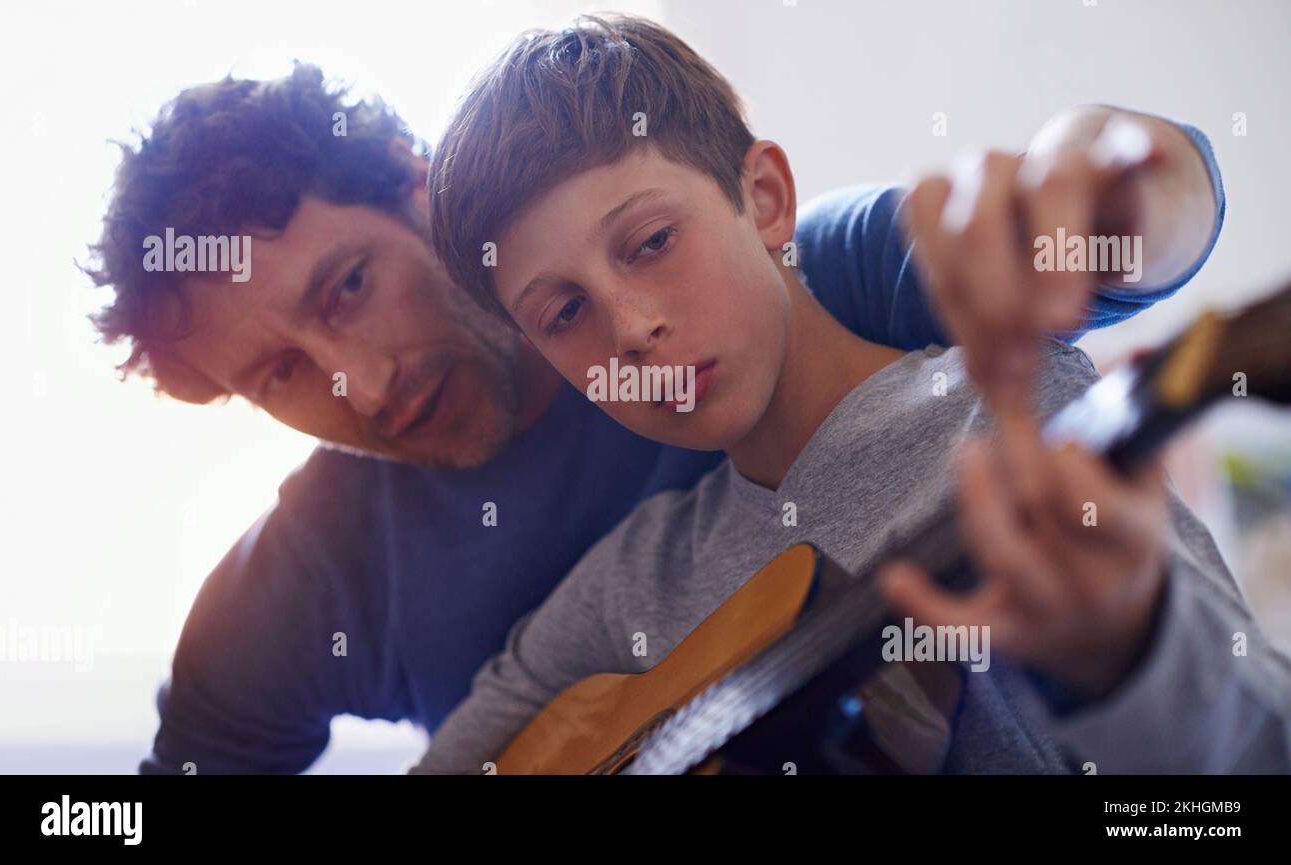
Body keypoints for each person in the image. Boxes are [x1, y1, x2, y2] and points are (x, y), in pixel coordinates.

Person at [83, 49, 1224, 771]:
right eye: (279, 375)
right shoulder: (293, 587)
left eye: (347, 288)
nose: (364, 385)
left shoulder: (804, 278)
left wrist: (1110, 171)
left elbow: (1111, 229)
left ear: (415, 189)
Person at [412, 14, 1286, 773]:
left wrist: (1138, 657)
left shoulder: (1011, 415)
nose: (632, 328)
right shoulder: (632, 582)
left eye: (650, 242)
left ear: (763, 199)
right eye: (565, 311)